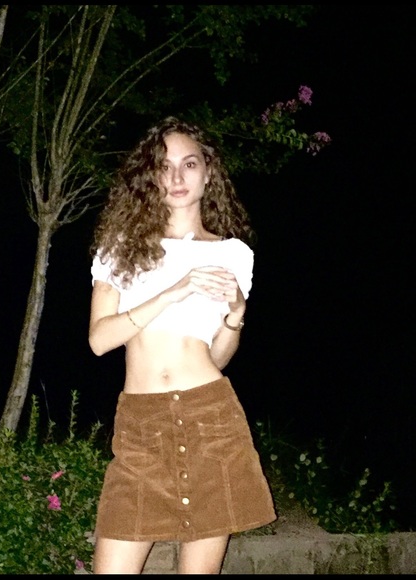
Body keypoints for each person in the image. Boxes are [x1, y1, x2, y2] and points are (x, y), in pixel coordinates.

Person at [88, 116, 276, 574]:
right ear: (150, 176)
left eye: (189, 164)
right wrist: (174, 291)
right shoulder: (121, 247)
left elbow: (217, 357)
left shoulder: (233, 254)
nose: (176, 176)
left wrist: (236, 312)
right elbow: (99, 340)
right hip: (141, 425)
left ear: (208, 173)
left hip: (211, 419)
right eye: (164, 165)